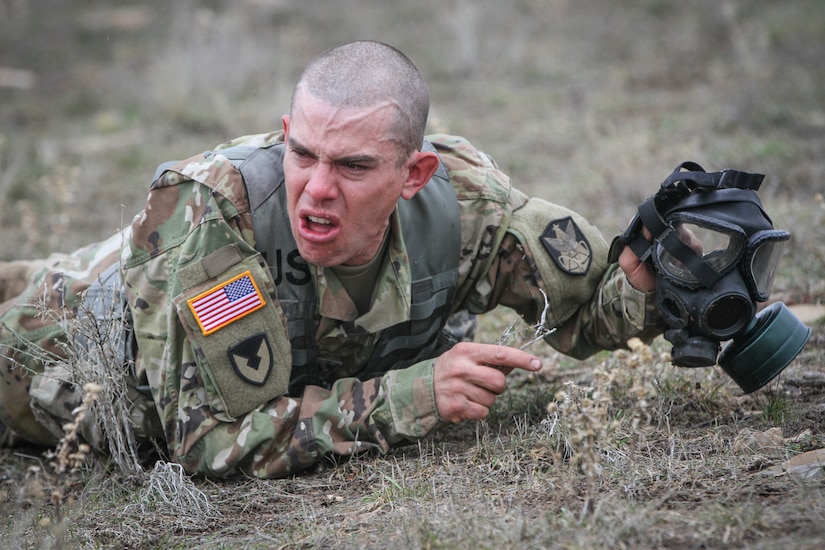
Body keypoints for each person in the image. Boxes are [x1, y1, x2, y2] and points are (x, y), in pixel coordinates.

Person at [0, 40, 661, 478]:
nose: (316, 188)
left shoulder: (464, 203)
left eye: (352, 165)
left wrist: (655, 278)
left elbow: (590, 313)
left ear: (414, 172)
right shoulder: (212, 213)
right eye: (303, 155)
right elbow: (205, 444)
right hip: (44, 344)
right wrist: (406, 396)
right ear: (285, 136)